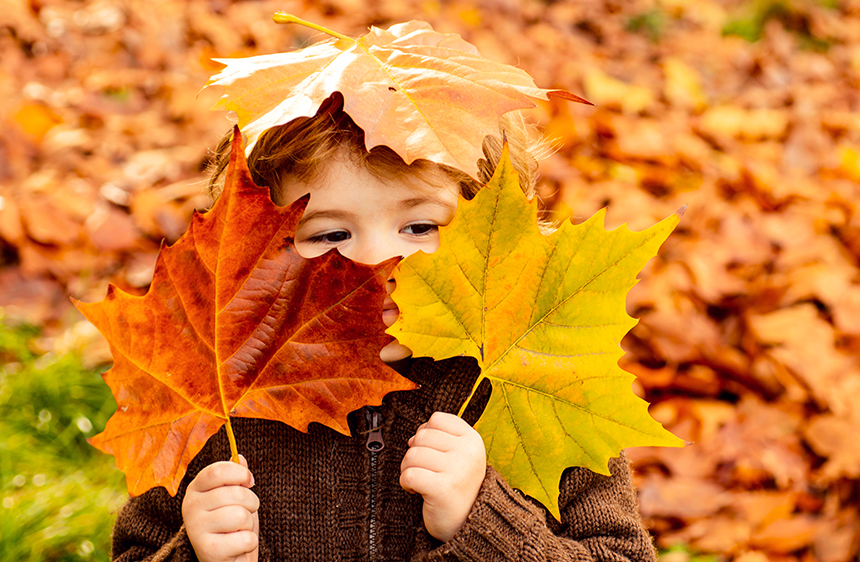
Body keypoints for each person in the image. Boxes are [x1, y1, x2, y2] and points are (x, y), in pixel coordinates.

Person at [110, 69, 656, 562]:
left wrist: (483, 519)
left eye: (420, 227)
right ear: (256, 254)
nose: (374, 263)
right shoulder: (217, 402)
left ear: (494, 238)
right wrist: (194, 553)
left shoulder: (535, 388)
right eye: (330, 234)